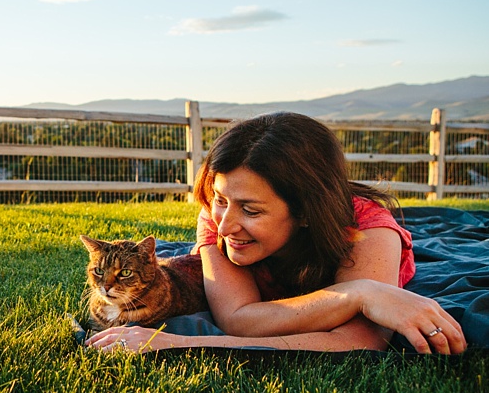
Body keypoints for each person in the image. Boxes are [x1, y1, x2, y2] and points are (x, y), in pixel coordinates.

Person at [87, 112, 467, 356]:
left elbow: (360, 342)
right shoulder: (219, 218)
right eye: (220, 200)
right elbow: (238, 319)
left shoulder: (367, 230)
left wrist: (182, 342)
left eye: (250, 210)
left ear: (304, 211)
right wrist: (359, 294)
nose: (224, 225)